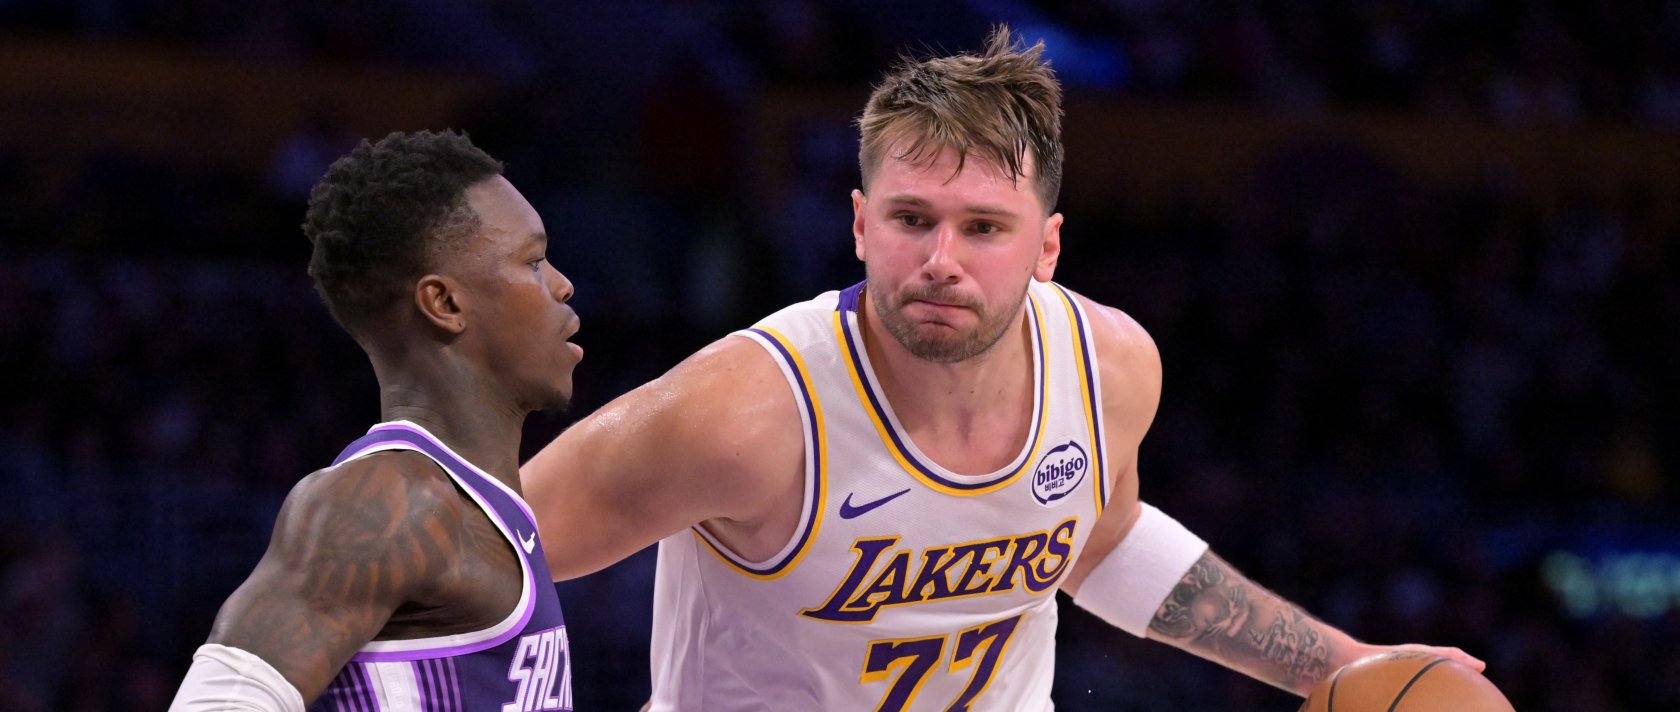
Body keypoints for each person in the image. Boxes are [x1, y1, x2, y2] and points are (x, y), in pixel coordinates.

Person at [522, 27, 1481, 710]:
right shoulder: (742, 409)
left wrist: (1340, 661)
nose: (942, 259)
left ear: (1047, 246)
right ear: (859, 225)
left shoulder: (1109, 365)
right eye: (912, 219)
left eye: (984, 227)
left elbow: (1101, 542)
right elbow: (481, 556)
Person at [170, 130, 583, 711]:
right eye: (533, 262)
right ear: (445, 303)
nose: (563, 284)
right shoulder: (389, 502)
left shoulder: (483, 509)